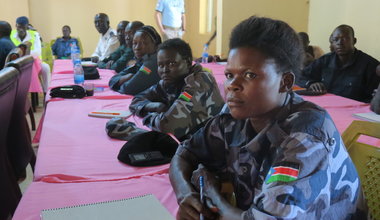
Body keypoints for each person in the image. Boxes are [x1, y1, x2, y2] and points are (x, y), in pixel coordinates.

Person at [169, 16, 366, 220]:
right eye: (229, 75)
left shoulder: (305, 136)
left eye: (250, 75)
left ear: (285, 82)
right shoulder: (235, 116)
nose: (232, 85)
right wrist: (186, 194)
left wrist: (214, 195)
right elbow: (184, 154)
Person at [129, 38, 224, 140]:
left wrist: (149, 116)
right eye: (160, 65)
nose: (165, 70)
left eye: (172, 64)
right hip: (190, 145)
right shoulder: (169, 82)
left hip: (214, 148)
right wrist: (154, 106)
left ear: (187, 62)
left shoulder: (199, 82)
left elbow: (167, 126)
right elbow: (136, 100)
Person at [300, 25, 380, 103]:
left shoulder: (370, 65)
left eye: (345, 39)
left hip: (354, 111)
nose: (340, 43)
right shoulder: (325, 60)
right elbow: (300, 76)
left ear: (354, 41)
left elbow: (373, 99)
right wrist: (311, 83)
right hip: (326, 107)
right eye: (336, 39)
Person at [109, 25, 161, 95]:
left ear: (155, 45)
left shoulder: (152, 63)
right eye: (134, 43)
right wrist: (127, 77)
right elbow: (113, 80)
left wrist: (119, 84)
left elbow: (128, 89)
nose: (137, 48)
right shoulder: (141, 60)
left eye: (144, 43)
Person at [10, 16, 51, 93]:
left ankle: (47, 92)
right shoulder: (11, 34)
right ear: (16, 26)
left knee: (46, 68)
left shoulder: (34, 34)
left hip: (34, 62)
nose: (21, 29)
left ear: (27, 26)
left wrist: (21, 54)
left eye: (23, 26)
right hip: (17, 63)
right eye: (19, 26)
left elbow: (37, 52)